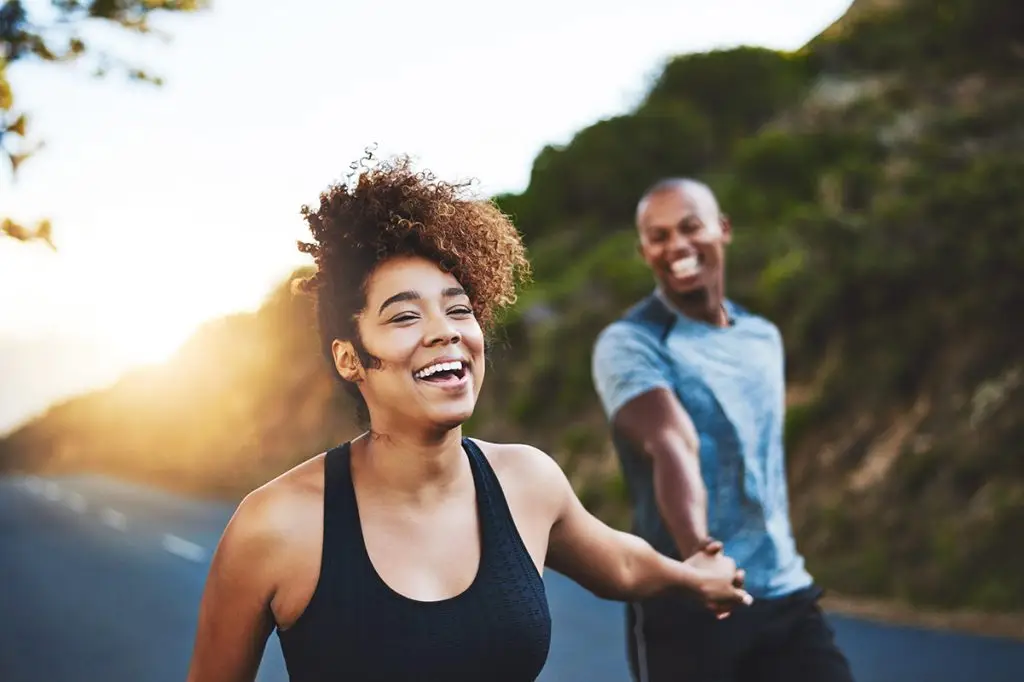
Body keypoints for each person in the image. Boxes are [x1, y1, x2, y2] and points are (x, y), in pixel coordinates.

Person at [184, 156, 752, 682]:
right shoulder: (276, 524)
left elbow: (622, 564)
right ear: (350, 357)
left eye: (458, 309)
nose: (444, 331)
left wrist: (694, 578)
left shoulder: (527, 481)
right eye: (404, 316)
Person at [591, 178, 856, 682]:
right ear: (644, 251)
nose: (677, 245)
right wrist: (700, 553)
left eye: (690, 227)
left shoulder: (763, 337)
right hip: (687, 602)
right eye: (659, 236)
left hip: (784, 594)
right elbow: (670, 441)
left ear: (723, 229)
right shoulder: (629, 343)